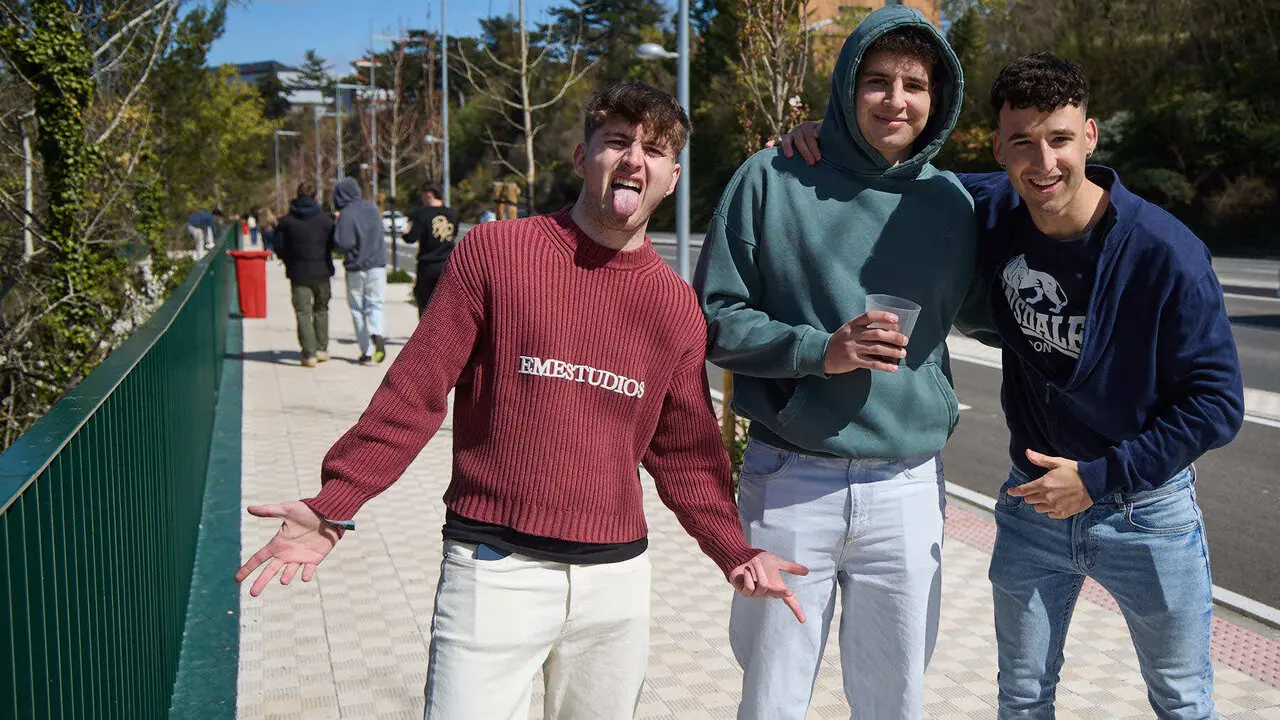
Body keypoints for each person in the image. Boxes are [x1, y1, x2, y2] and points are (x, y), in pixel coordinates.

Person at [235, 82, 807, 720]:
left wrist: (733, 547)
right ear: (580, 156)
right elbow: (415, 391)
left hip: (614, 584)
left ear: (672, 178)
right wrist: (337, 500)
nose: (633, 159)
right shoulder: (496, 255)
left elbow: (685, 453)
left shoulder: (673, 306)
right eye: (616, 140)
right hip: (492, 570)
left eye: (655, 149)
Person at [776, 52, 1245, 719]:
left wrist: (1099, 477)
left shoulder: (1164, 254)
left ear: (1089, 136)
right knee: (1022, 700)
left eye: (1058, 138)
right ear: (998, 148)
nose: (1042, 162)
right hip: (1032, 509)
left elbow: (1218, 403)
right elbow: (895, 174)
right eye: (1022, 142)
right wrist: (815, 140)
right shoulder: (992, 208)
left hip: (1146, 513)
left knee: (1182, 700)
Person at [692, 7, 972, 718]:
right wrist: (823, 351)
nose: (896, 99)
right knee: (772, 695)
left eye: (914, 84)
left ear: (938, 99)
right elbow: (713, 320)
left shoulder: (955, 202)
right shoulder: (773, 177)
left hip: (907, 487)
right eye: (876, 81)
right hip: (791, 478)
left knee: (895, 700)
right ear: (847, 87)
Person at [275, 183, 336, 367]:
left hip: (298, 272)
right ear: (315, 197)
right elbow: (333, 244)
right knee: (321, 309)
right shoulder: (326, 220)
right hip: (322, 271)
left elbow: (278, 247)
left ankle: (309, 354)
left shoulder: (286, 222)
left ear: (296, 196)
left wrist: (289, 260)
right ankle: (322, 349)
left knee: (303, 313)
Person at [331, 177, 388, 365]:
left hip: (356, 267)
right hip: (377, 265)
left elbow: (342, 244)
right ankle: (376, 332)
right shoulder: (372, 208)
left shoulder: (346, 213)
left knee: (357, 309)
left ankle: (367, 351)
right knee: (375, 305)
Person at [402, 184, 459, 313]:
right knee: (446, 305)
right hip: (448, 264)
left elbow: (411, 238)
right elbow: (453, 235)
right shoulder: (453, 214)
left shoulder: (422, 215)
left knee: (425, 304)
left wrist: (405, 233)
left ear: (429, 195)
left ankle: (427, 332)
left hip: (427, 264)